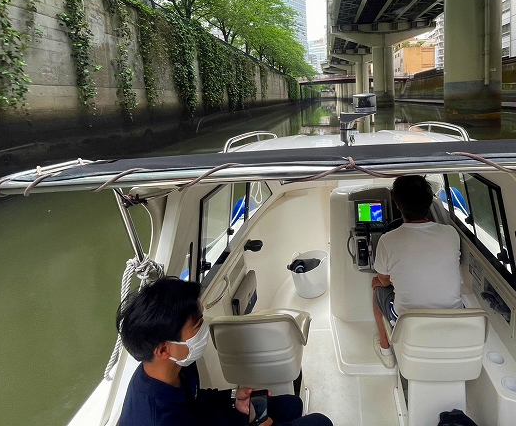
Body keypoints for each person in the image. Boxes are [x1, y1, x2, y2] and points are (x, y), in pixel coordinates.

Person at [117, 276, 332, 426]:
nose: (204, 328)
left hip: (211, 419)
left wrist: (232, 397)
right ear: (164, 349)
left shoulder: (176, 364)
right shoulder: (162, 420)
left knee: (292, 405)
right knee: (322, 422)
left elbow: (193, 397)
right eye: (197, 324)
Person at [371, 175, 463, 368]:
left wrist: (381, 282)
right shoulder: (451, 233)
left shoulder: (387, 240)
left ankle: (386, 349)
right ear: (429, 201)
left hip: (409, 321)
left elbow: (385, 281)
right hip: (452, 317)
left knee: (376, 289)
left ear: (395, 203)